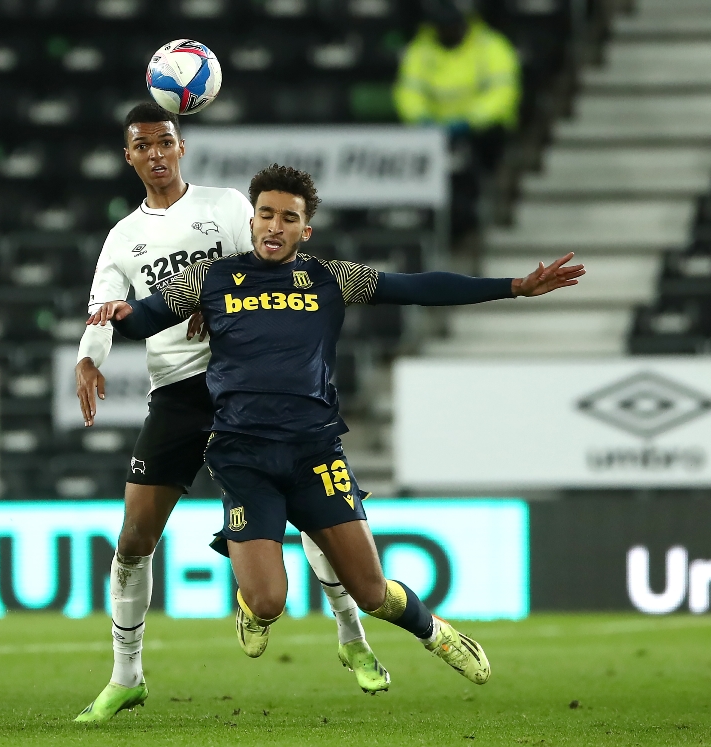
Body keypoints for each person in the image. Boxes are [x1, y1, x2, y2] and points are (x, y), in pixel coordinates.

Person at [89, 164, 584, 689]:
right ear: (250, 220)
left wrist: (512, 287)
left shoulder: (333, 278)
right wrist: (121, 316)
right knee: (267, 601)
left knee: (372, 594)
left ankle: (435, 633)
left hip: (315, 455)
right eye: (265, 215)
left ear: (306, 230)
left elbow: (418, 287)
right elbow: (148, 319)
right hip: (243, 456)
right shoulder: (211, 279)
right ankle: (250, 602)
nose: (274, 227)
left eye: (288, 218)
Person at [73, 105, 389, 723]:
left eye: (166, 140)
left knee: (317, 519)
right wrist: (90, 358)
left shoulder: (226, 209)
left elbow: (278, 265)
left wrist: (220, 304)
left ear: (181, 146)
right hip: (178, 391)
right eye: (144, 145)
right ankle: (126, 674)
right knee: (136, 535)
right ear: (130, 157)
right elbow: (107, 313)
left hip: (248, 385)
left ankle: (354, 640)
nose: (157, 153)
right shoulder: (121, 238)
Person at [395, 0, 521, 235]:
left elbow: (503, 93)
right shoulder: (420, 50)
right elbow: (408, 92)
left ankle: (477, 211)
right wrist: (421, 119)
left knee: (476, 158)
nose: (447, 31)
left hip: (480, 132)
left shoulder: (491, 46)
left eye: (452, 25)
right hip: (432, 133)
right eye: (442, 26)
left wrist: (470, 121)